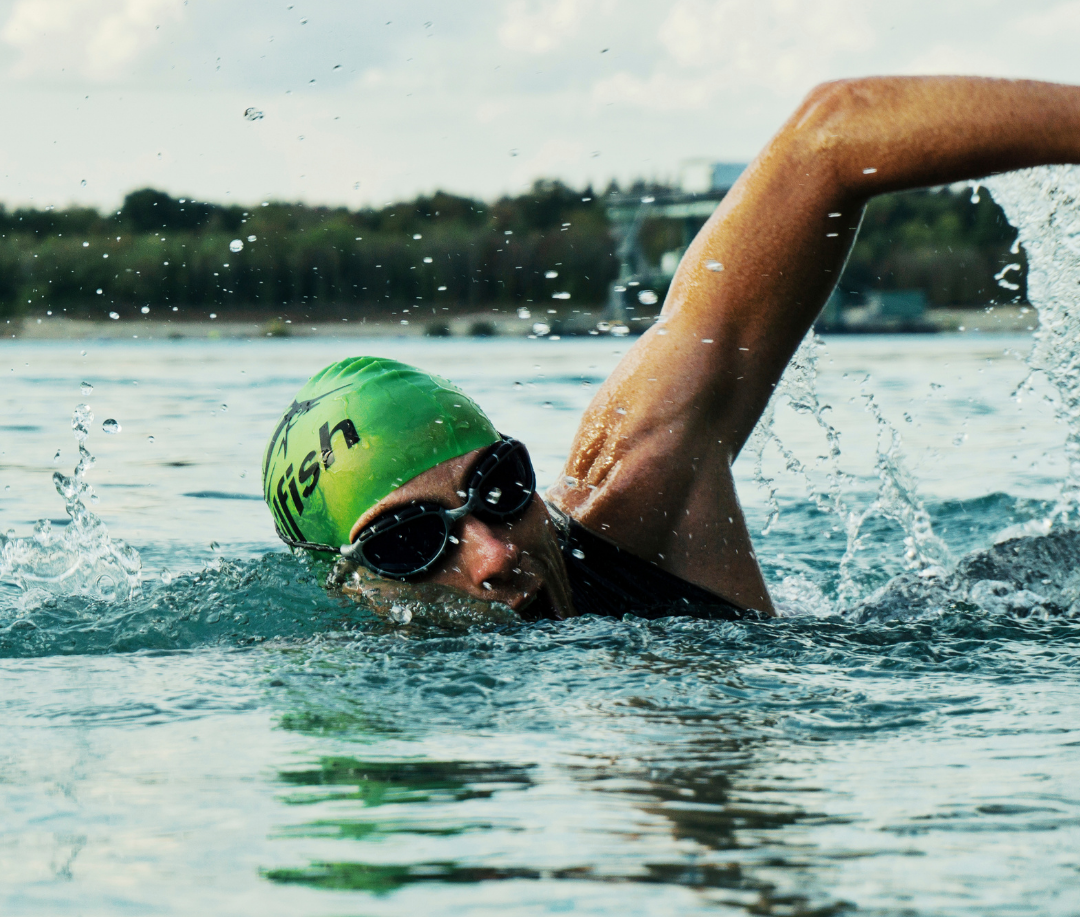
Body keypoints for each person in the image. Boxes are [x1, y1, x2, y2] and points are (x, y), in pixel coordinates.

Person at [263, 76, 1080, 621]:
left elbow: (832, 135)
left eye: (499, 487)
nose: (494, 553)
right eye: (409, 543)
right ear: (355, 589)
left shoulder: (635, 499)